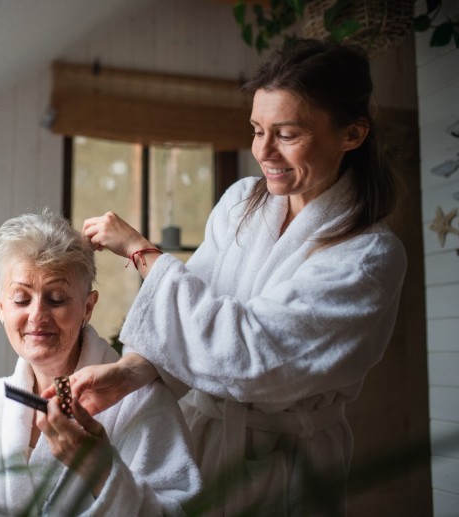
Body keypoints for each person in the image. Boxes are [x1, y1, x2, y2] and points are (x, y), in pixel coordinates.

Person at [64, 39, 407, 515]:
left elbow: (252, 356)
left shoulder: (369, 256)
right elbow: (197, 313)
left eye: (286, 134)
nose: (262, 151)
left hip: (291, 467)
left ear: (351, 134)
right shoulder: (243, 202)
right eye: (256, 129)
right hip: (201, 440)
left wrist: (143, 254)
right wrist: (130, 373)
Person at [0, 210, 200, 516]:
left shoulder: (142, 401)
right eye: (21, 299)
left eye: (57, 298)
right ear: (0, 306)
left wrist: (101, 473)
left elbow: (177, 511)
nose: (37, 316)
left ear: (87, 307)